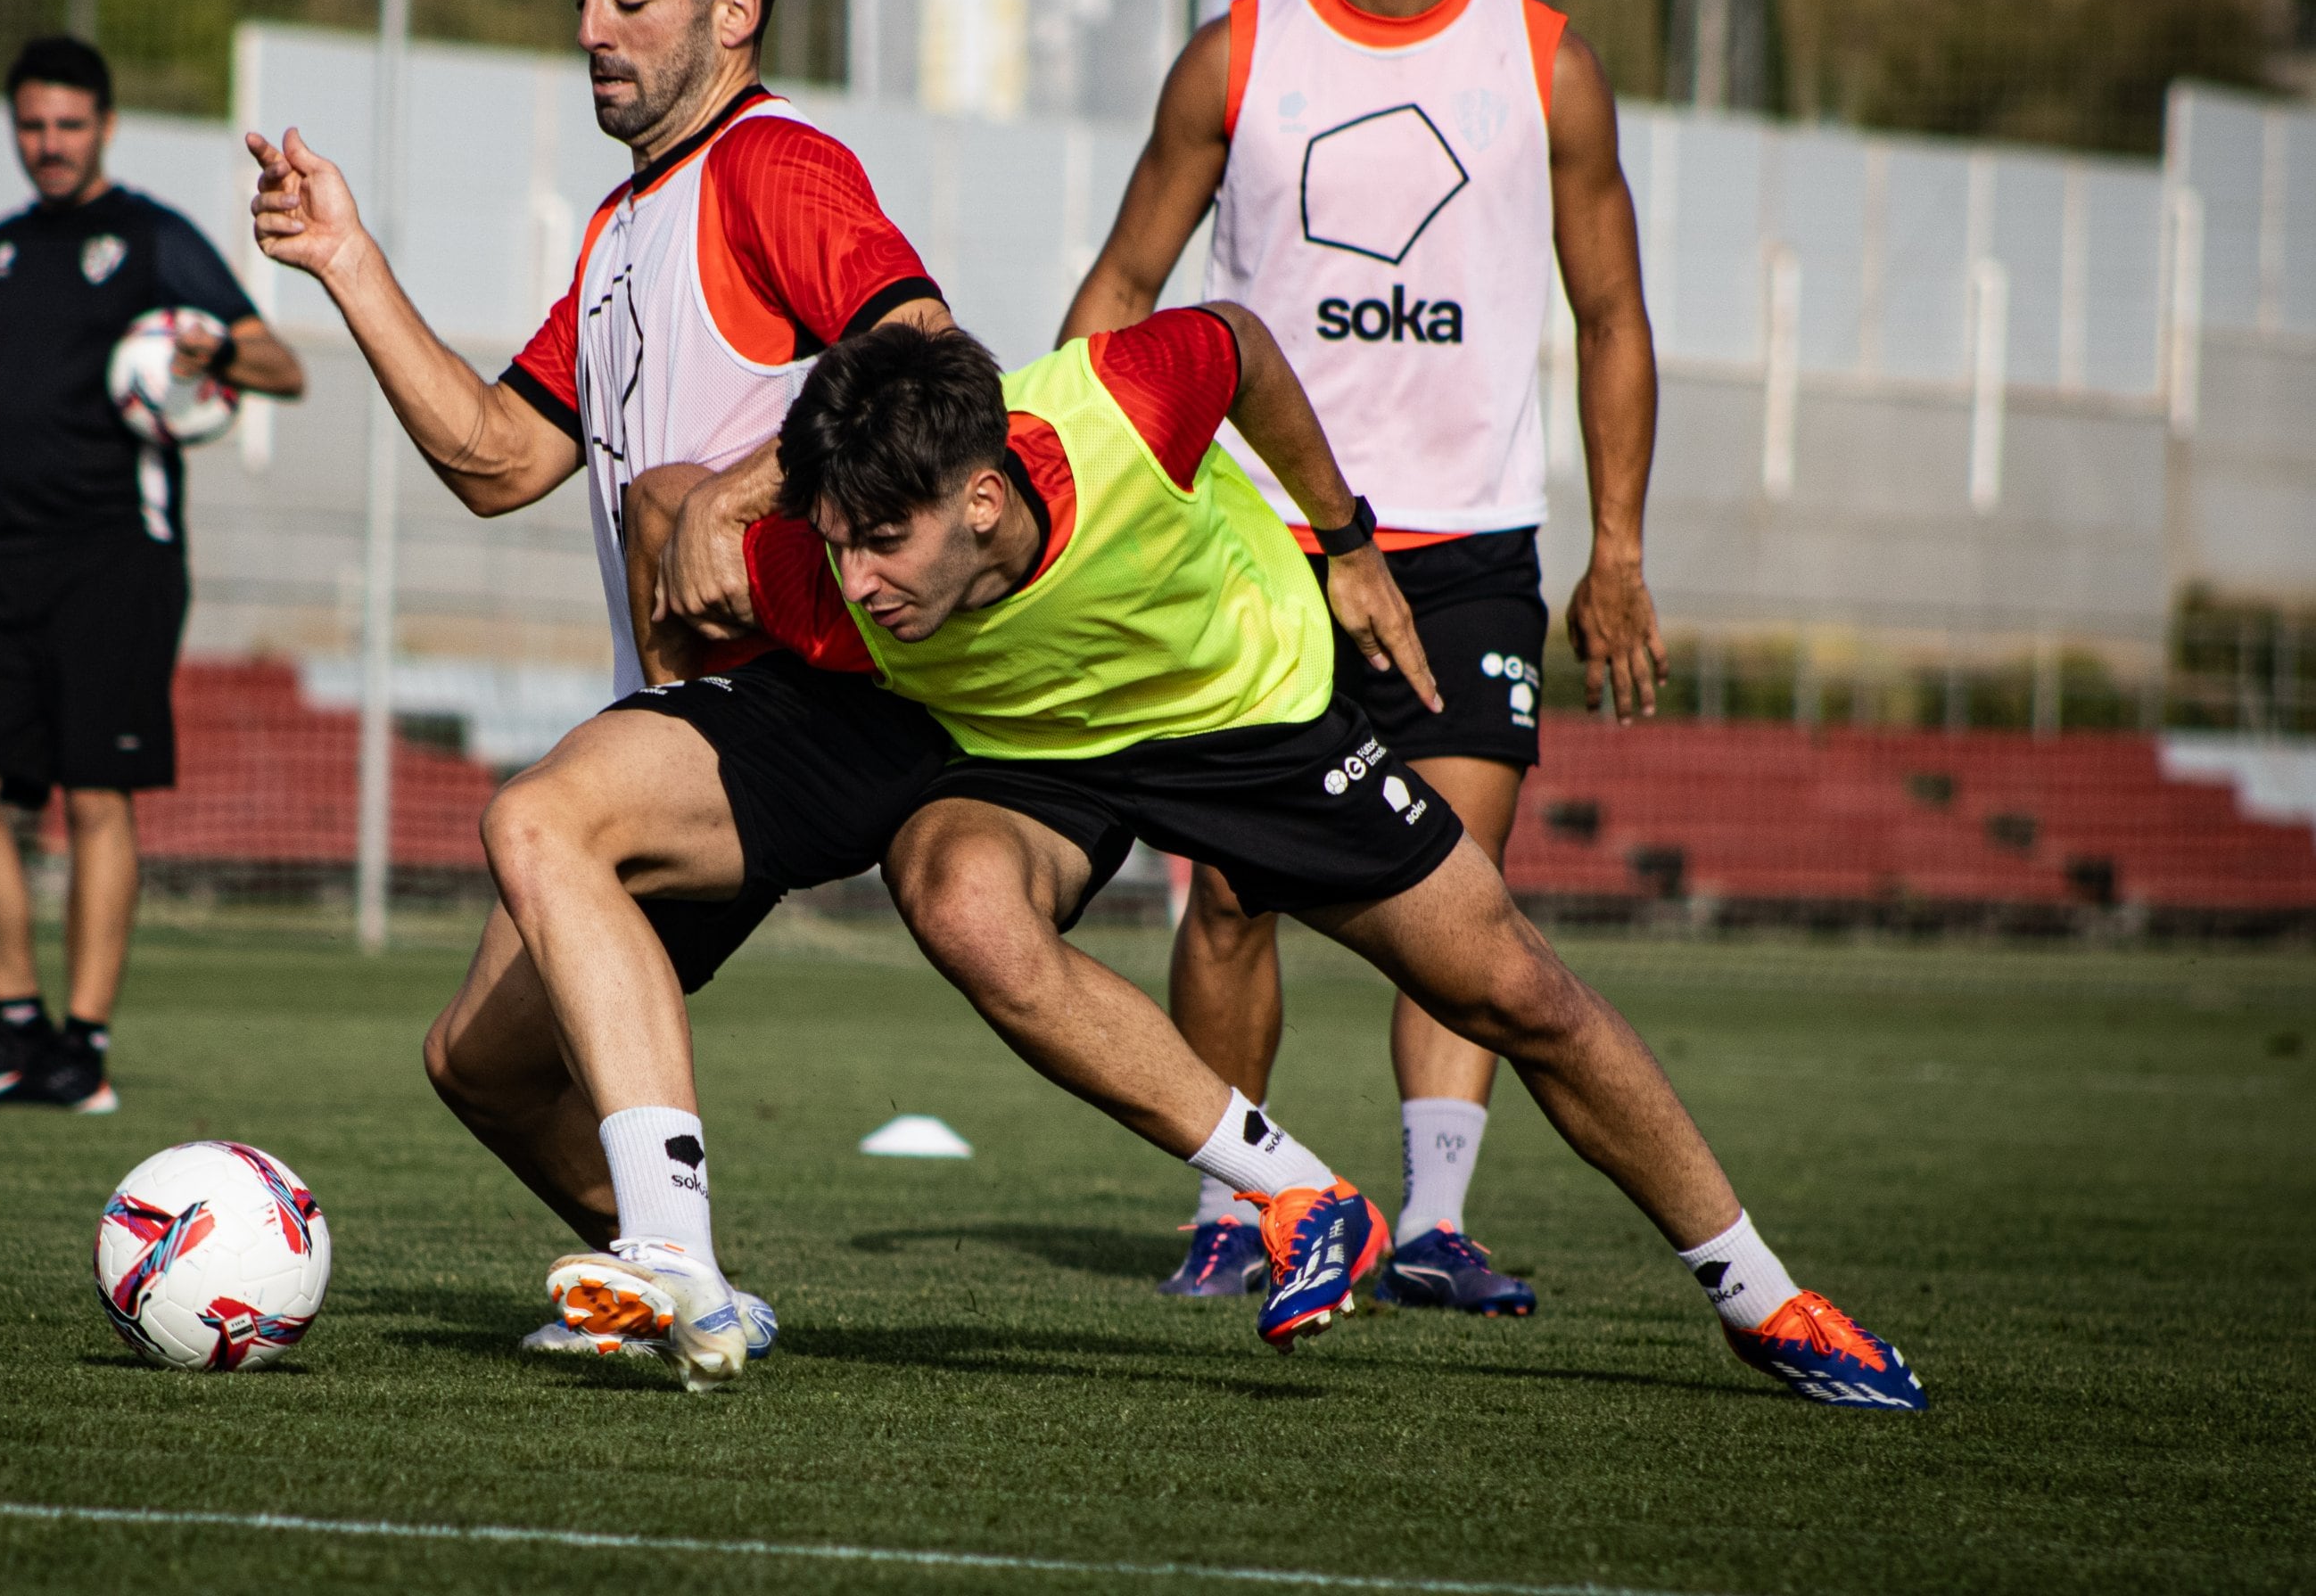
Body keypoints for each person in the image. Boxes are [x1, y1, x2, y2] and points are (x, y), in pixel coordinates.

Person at [637, 321, 1924, 1411]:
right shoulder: (822, 577)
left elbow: (1245, 345)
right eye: (837, 543)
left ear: (983, 499)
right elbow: (668, 536)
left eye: (882, 544)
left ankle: (1767, 1301)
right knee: (958, 899)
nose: (854, 583)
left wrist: (1347, 539)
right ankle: (1301, 1196)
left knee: (1518, 995)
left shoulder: (1123, 403)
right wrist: (698, 515)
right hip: (1037, 757)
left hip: (1253, 720)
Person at [244, 0, 954, 1383]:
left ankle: (670, 1259)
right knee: (480, 1063)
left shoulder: (775, 165)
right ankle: (695, 1280)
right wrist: (348, 265)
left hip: (821, 686)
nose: (590, 29)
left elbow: (917, 346)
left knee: (542, 817)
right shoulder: (628, 224)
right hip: (711, 711)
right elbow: (498, 459)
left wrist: (741, 491)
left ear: (732, 10)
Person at [1057, 0, 1668, 1312]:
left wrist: (1618, 547)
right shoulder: (1238, 54)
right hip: (1259, 536)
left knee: (1457, 885)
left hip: (1464, 542)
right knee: (1236, 882)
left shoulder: (1541, 62)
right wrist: (1066, 490)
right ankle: (1234, 1198)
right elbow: (1127, 287)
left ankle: (1440, 1220)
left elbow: (1612, 314)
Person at [0, 34, 306, 1113]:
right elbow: (10, 411)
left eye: (67, 125)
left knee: (96, 797)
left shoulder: (152, 238)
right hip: (8, 549)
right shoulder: (0, 251)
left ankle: (82, 1051)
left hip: (121, 555)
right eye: (31, 127)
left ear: (102, 126)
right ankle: (15, 1028)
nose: (49, 144)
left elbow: (280, 366)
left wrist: (211, 356)